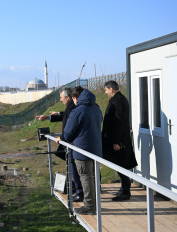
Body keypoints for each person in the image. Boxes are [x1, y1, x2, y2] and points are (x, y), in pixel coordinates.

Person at [35, 87, 83, 202]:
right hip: (71, 142)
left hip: (72, 143)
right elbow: (64, 115)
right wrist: (49, 117)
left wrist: (62, 137)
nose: (60, 100)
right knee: (76, 166)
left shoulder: (73, 107)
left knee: (76, 167)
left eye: (61, 98)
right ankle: (80, 190)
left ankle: (80, 192)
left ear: (67, 97)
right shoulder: (71, 106)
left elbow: (71, 124)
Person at [64, 86, 103, 215]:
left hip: (82, 150)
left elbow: (68, 132)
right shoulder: (96, 108)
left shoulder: (77, 111)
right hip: (96, 148)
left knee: (85, 178)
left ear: (75, 98)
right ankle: (94, 204)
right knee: (93, 177)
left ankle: (89, 206)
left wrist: (63, 138)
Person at [102, 80, 138, 201]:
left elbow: (119, 122)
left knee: (121, 164)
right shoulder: (118, 99)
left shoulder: (119, 101)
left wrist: (116, 141)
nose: (105, 92)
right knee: (119, 164)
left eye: (106, 90)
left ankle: (125, 192)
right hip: (116, 140)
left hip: (119, 141)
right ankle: (124, 189)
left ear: (111, 89)